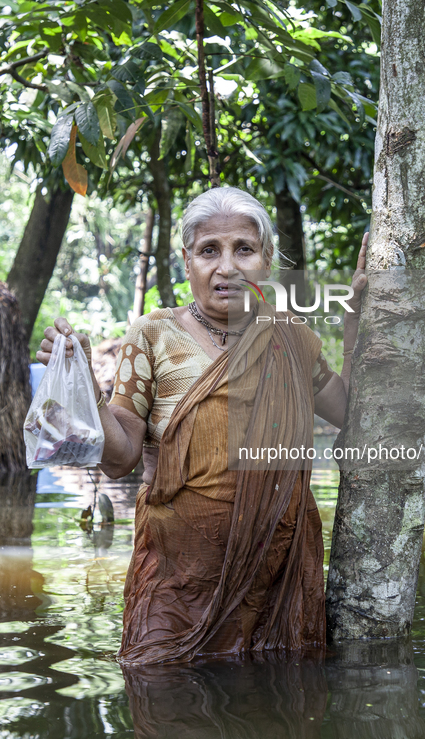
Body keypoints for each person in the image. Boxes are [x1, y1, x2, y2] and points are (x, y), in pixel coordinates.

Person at [37, 187, 367, 665]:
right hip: (178, 586)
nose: (227, 267)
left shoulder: (291, 338)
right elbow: (121, 458)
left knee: (277, 710)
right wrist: (88, 391)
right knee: (166, 701)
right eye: (210, 250)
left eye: (244, 249)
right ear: (187, 261)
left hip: (276, 588)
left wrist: (356, 326)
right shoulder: (153, 335)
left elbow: (352, 414)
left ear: (267, 261)